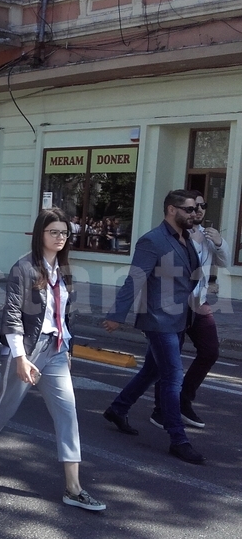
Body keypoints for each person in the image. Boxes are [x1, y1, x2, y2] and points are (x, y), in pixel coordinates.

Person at [0, 208, 105, 511]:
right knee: (4, 407)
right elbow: (11, 315)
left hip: (57, 350)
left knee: (68, 413)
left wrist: (69, 351)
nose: (60, 238)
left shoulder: (64, 270)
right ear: (41, 234)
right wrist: (21, 357)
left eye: (64, 233)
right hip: (27, 350)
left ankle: (73, 487)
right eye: (54, 232)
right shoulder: (23, 268)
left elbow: (66, 316)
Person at [102, 190, 204, 464]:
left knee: (152, 370)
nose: (194, 213)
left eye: (195, 209)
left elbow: (191, 275)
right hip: (159, 319)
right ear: (171, 210)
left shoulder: (185, 239)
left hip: (180, 316)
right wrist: (116, 315)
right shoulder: (153, 240)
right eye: (188, 209)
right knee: (173, 377)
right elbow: (134, 280)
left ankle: (118, 408)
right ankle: (178, 439)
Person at [150, 192, 229, 429]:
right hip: (174, 305)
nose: (199, 211)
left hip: (199, 303)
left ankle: (184, 400)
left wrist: (219, 243)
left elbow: (224, 262)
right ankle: (161, 410)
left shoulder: (206, 235)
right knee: (167, 362)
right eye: (194, 207)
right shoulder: (175, 234)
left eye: (203, 206)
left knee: (210, 351)